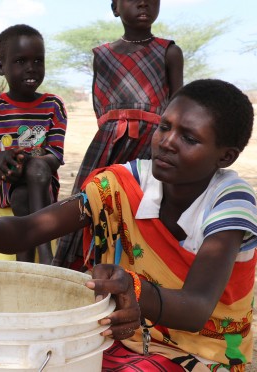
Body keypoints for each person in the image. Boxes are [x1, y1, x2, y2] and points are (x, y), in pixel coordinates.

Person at [0, 79, 257, 371]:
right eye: (164, 127)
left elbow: (196, 308)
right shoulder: (120, 184)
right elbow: (28, 230)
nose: (166, 142)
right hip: (124, 334)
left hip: (202, 352)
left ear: (226, 156)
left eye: (189, 138)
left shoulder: (230, 199)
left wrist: (136, 289)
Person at [54, 0, 184, 269]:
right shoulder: (102, 55)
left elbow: (178, 105)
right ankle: (85, 265)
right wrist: (115, 128)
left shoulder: (169, 52)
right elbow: (100, 105)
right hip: (109, 145)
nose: (143, 2)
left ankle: (143, 271)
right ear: (114, 8)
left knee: (147, 206)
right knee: (92, 200)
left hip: (151, 145)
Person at [0, 24, 68, 264]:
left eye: (38, 61)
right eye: (21, 61)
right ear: (1, 67)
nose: (31, 68)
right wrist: (1, 158)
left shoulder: (53, 106)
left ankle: (29, 263)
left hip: (40, 183)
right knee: (23, 185)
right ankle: (48, 259)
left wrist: (30, 160)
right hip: (0, 183)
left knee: (31, 180)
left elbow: (55, 158)